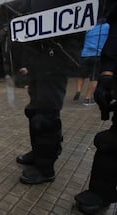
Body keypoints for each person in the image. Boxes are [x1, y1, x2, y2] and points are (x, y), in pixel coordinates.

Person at [6, 0, 84, 185]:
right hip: (36, 64)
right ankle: (39, 152)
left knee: (47, 116)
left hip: (55, 62)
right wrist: (25, 64)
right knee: (34, 112)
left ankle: (46, 168)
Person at [74, 2, 117, 214]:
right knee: (109, 142)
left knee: (86, 76)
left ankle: (80, 93)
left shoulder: (93, 27)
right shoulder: (108, 25)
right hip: (101, 58)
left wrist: (107, 73)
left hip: (88, 54)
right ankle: (89, 97)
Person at [73, 19, 110, 105]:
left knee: (81, 75)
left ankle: (78, 90)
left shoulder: (89, 27)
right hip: (98, 55)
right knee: (94, 78)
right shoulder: (107, 27)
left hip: (85, 54)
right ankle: (88, 99)